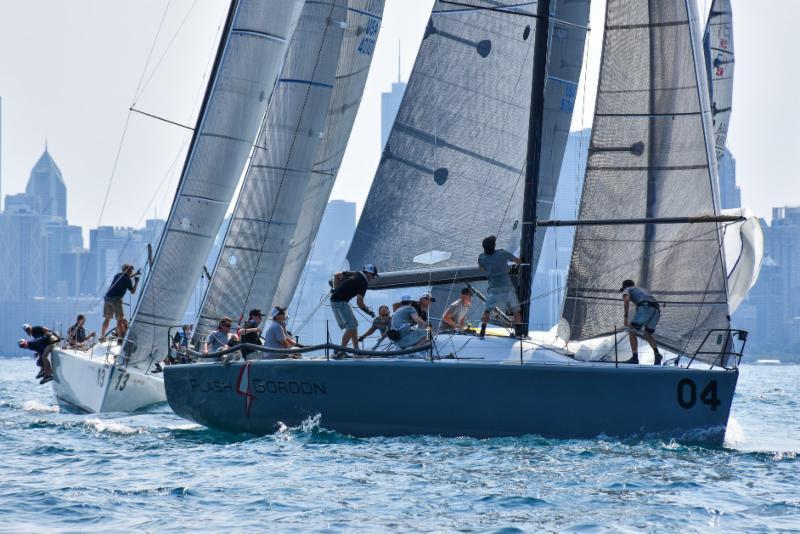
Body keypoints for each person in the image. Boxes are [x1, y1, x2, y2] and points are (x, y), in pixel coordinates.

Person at [477, 235, 523, 338]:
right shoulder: (502, 253)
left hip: (493, 290)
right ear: (494, 246)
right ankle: (519, 333)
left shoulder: (482, 257)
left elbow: (481, 269)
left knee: (487, 311)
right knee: (516, 310)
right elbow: (517, 261)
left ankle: (482, 333)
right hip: (507, 289)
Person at [330, 264, 379, 350]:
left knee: (354, 325)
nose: (373, 277)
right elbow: (359, 303)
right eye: (373, 275)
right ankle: (341, 351)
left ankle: (356, 350)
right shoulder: (363, 283)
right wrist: (369, 312)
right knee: (352, 326)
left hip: (336, 301)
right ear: (368, 273)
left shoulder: (354, 273)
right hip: (340, 302)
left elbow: (336, 275)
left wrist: (336, 289)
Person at [620, 279, 662, 365]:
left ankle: (635, 358)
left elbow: (626, 300)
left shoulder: (627, 289)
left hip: (645, 307)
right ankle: (657, 354)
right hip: (656, 309)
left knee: (632, 330)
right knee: (647, 334)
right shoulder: (642, 290)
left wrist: (625, 318)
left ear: (625, 286)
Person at [101, 264, 140, 341]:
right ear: (128, 270)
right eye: (130, 270)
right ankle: (120, 339)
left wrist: (135, 274)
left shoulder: (117, 275)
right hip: (116, 300)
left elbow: (125, 278)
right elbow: (132, 291)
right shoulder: (127, 280)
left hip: (107, 298)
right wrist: (136, 282)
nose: (131, 271)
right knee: (119, 320)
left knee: (107, 319)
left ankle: (102, 337)